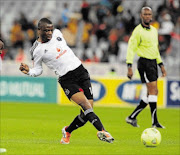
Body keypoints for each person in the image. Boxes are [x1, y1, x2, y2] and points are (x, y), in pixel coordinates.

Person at [19, 18, 114, 144]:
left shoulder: (58, 33)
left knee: (87, 112)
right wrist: (29, 71)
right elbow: (38, 69)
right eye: (46, 30)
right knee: (86, 105)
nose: (49, 33)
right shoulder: (37, 50)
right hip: (67, 79)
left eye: (50, 30)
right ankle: (102, 131)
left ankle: (67, 131)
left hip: (81, 71)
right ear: (39, 30)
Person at [125, 7, 167, 128]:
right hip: (144, 63)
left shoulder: (154, 30)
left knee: (151, 93)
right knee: (154, 91)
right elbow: (131, 48)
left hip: (153, 63)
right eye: (145, 14)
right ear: (141, 16)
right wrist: (129, 66)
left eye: (149, 14)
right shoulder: (137, 31)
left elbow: (156, 49)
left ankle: (132, 117)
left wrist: (161, 65)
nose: (148, 16)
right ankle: (154, 122)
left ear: (152, 16)